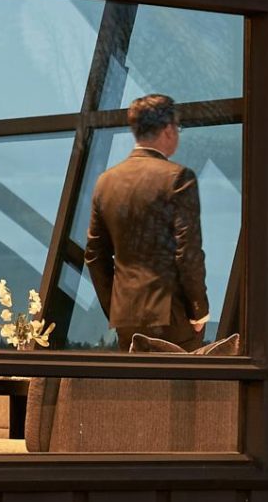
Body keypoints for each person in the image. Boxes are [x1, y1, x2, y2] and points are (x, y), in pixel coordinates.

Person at [85, 94, 208, 350]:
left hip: (126, 319)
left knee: (137, 390)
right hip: (171, 314)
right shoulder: (178, 178)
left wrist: (116, 307)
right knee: (183, 389)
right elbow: (188, 254)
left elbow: (95, 257)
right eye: (178, 127)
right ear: (168, 130)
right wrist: (198, 310)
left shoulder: (106, 182)